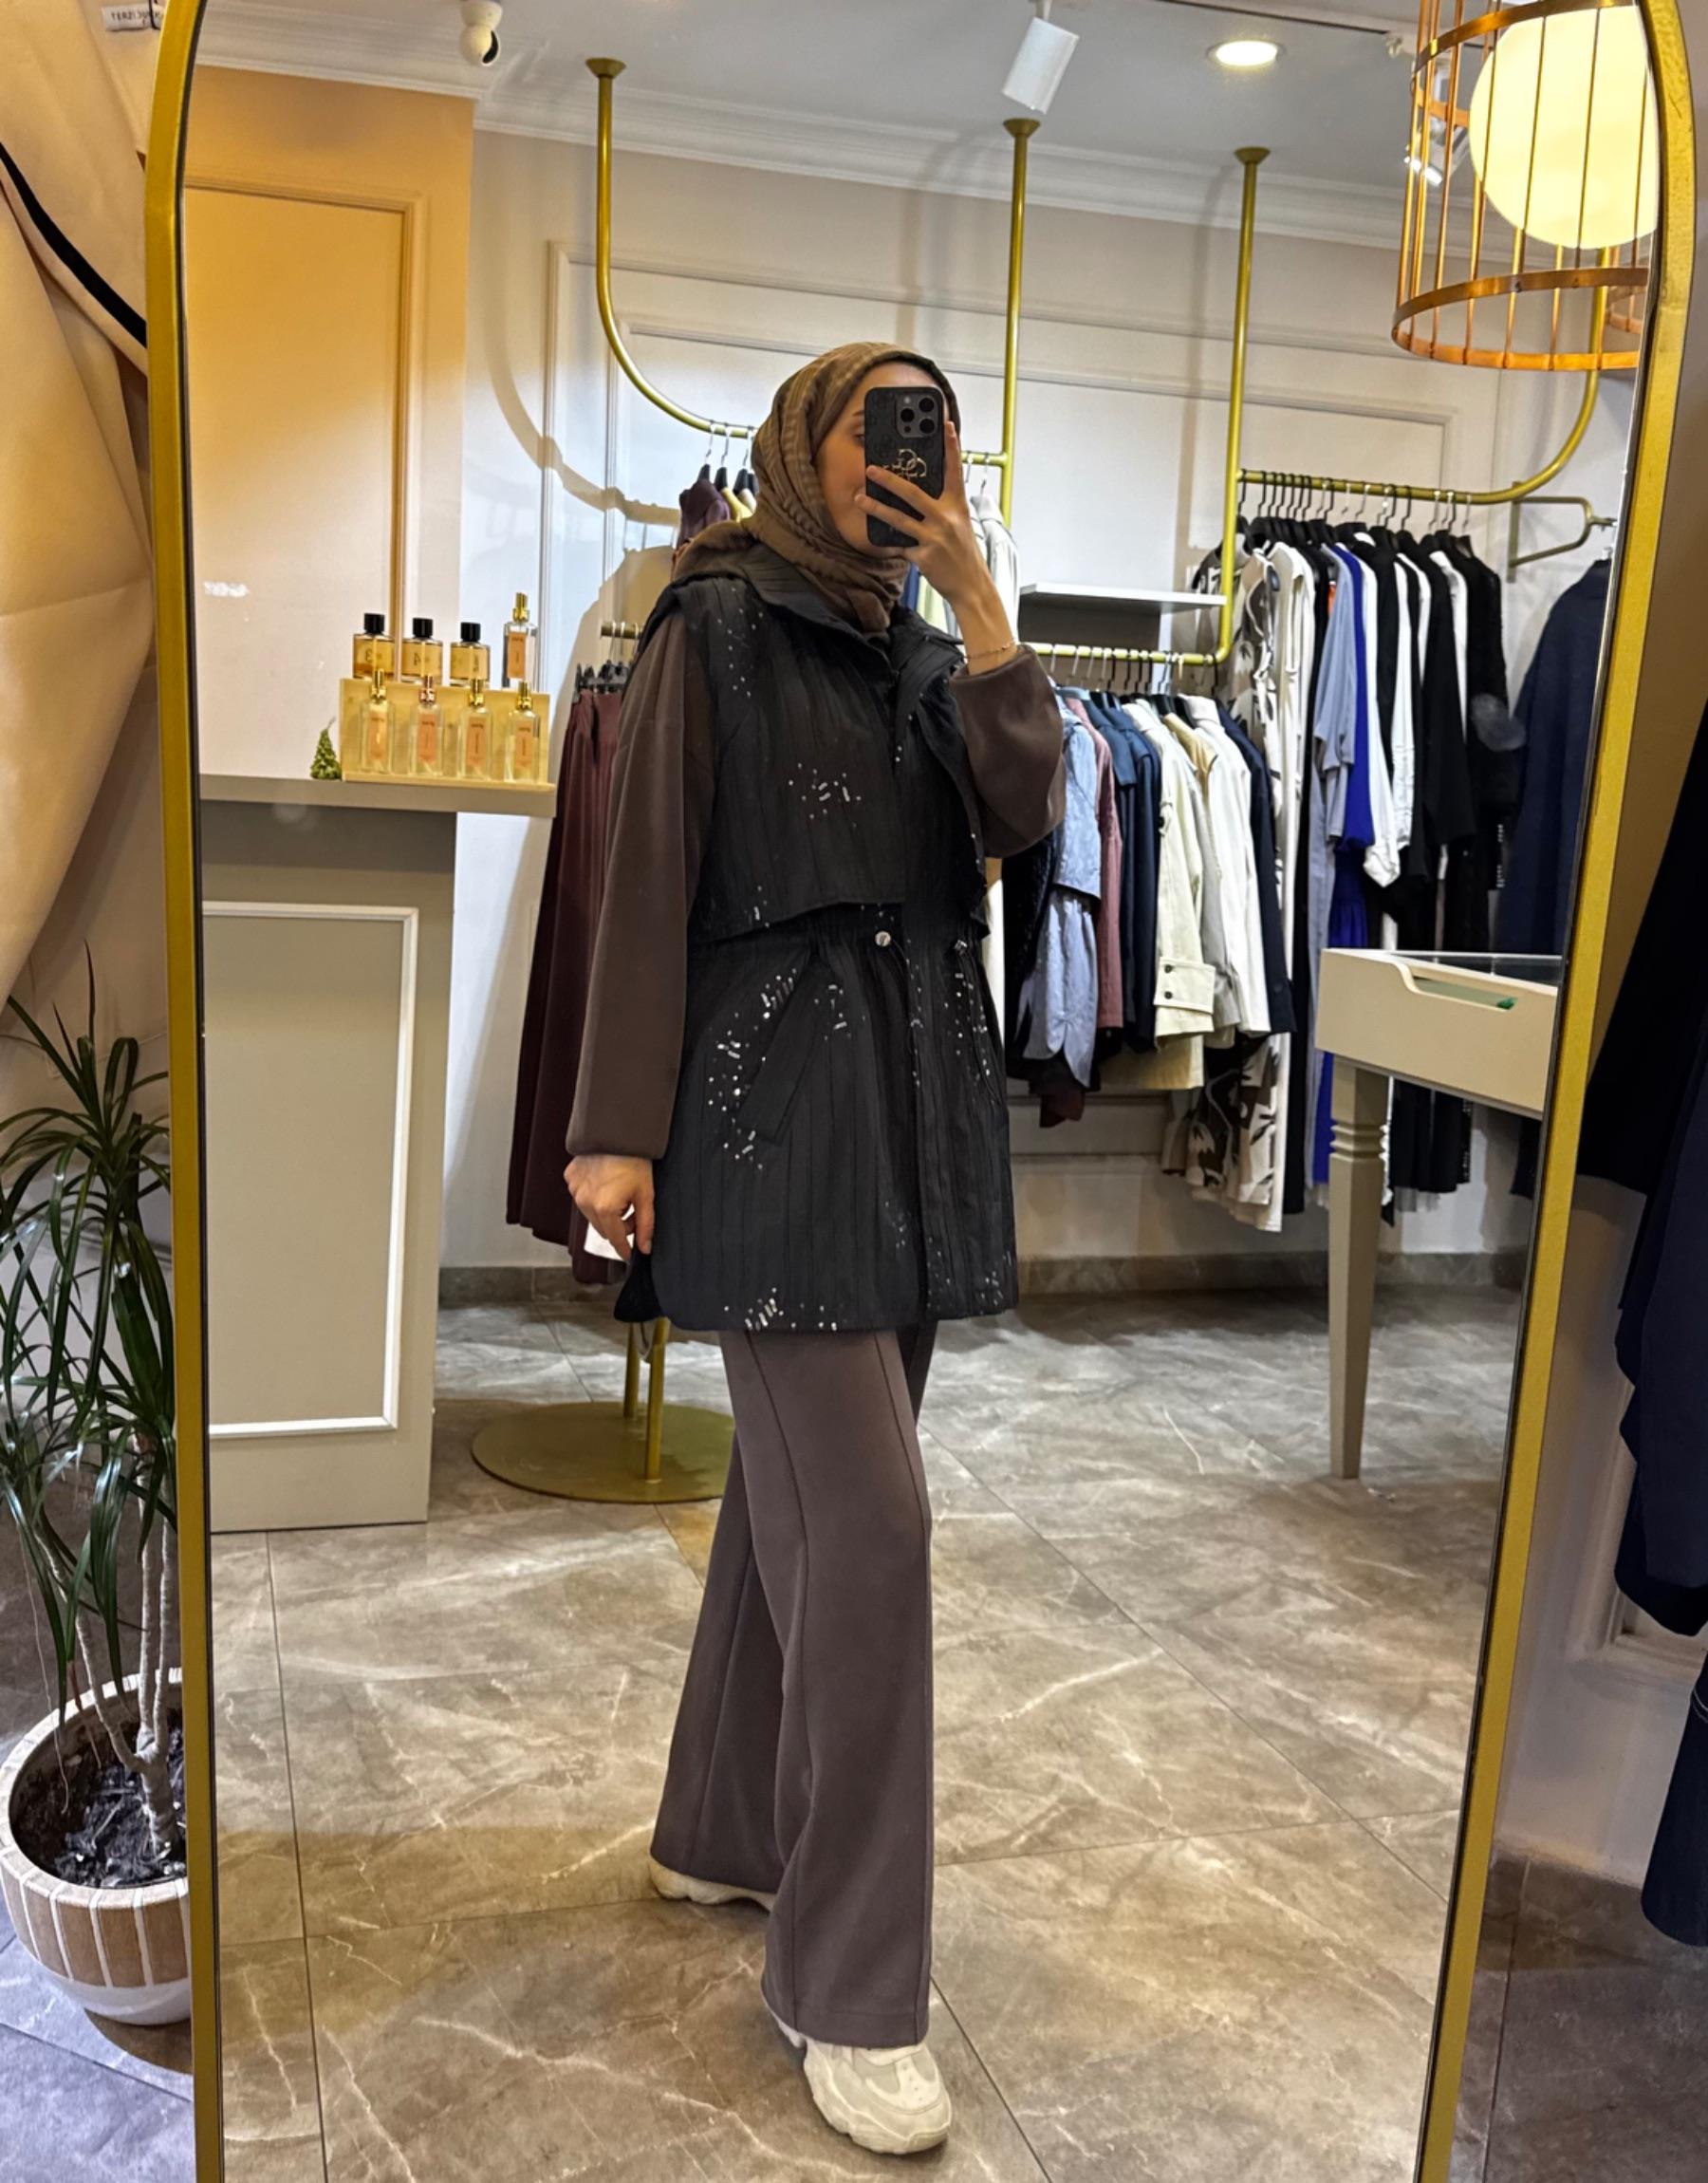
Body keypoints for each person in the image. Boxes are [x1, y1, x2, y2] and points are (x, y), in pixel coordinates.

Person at [565, 341, 1064, 2157]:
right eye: (880, 426)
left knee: (800, 1517)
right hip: (766, 1127)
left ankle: (718, 1831)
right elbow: (645, 877)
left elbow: (1023, 819)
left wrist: (985, 606)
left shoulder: (929, 653)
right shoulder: (713, 624)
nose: (907, 457)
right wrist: (615, 1124)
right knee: (870, 1529)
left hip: (907, 1130)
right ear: (803, 445)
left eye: (935, 430)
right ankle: (847, 1986)